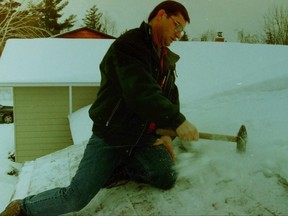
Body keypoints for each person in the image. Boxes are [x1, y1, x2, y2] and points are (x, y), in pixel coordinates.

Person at [0, 1, 198, 215]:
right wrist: (179, 122)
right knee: (75, 198)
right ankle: (22, 208)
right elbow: (141, 92)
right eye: (177, 25)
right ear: (161, 15)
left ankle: (119, 167)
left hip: (141, 139)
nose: (179, 34)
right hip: (111, 137)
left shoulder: (164, 58)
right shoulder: (129, 46)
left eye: (182, 30)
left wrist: (169, 131)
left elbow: (169, 95)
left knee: (166, 176)